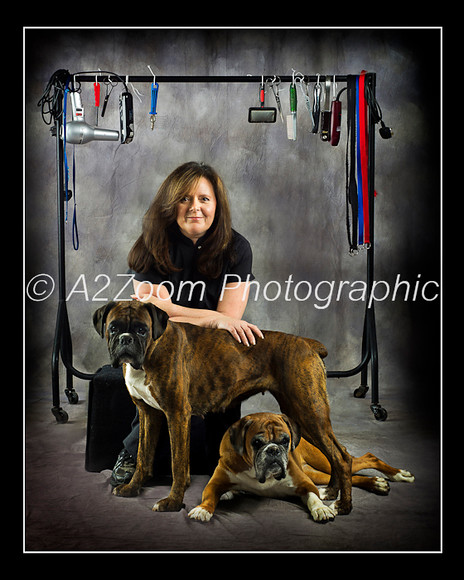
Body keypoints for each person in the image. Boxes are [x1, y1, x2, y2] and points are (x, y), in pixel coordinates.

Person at [110, 161, 263, 486]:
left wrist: (211, 319)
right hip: (161, 343)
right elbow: (152, 310)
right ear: (170, 204)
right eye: (185, 199)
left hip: (211, 348)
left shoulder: (237, 248)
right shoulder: (153, 243)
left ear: (216, 205)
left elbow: (230, 322)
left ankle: (229, 456)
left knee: (224, 375)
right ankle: (132, 451)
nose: (195, 207)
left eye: (204, 199)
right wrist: (212, 317)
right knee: (156, 380)